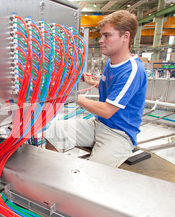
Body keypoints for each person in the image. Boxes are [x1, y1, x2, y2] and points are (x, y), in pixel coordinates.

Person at [45, 10, 147, 167]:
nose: (101, 40)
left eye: (107, 36)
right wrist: (91, 81)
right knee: (55, 131)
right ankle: (51, 177)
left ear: (125, 37)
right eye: (101, 36)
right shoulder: (111, 63)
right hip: (99, 125)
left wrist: (71, 96)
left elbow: (107, 110)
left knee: (93, 173)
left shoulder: (132, 70)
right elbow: (110, 88)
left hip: (119, 134)